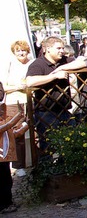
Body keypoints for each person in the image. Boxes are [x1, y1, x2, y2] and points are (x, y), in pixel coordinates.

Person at [26, 36, 86, 153]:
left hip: (64, 110)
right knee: (48, 145)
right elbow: (30, 81)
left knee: (72, 142)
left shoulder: (63, 60)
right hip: (45, 112)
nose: (62, 51)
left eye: (63, 48)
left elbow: (83, 62)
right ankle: (48, 169)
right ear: (48, 49)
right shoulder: (38, 64)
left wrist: (63, 67)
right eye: (58, 48)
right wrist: (53, 76)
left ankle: (66, 168)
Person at [0, 41, 33, 176]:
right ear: (14, 52)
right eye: (18, 51)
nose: (21, 53)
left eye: (23, 50)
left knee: (31, 131)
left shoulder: (31, 63)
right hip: (14, 102)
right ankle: (19, 166)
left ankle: (33, 160)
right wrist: (19, 87)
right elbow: (4, 87)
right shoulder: (9, 65)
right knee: (16, 134)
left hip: (29, 102)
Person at [0, 102, 26, 214]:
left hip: (4, 158)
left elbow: (14, 134)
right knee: (3, 183)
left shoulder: (3, 122)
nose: (2, 112)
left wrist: (26, 127)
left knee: (8, 181)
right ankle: (3, 205)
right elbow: (8, 126)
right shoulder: (3, 125)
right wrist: (19, 114)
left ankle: (8, 202)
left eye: (2, 110)